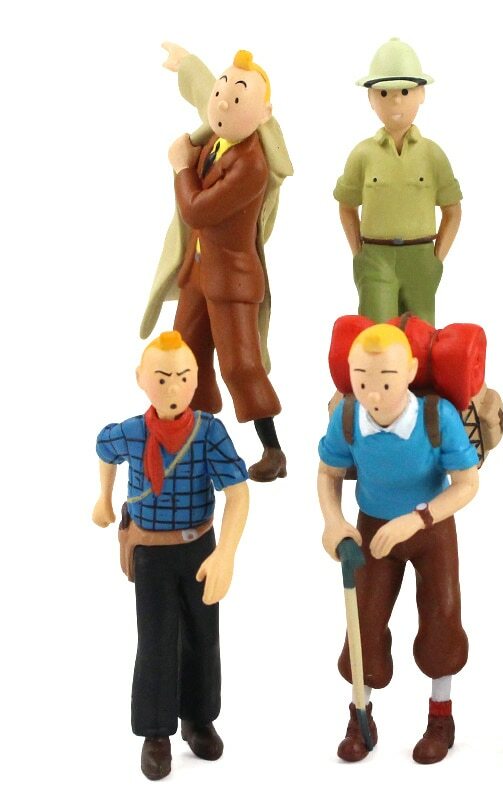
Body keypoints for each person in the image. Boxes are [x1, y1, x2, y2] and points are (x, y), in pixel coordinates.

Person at [318, 324, 479, 763]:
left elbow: (467, 484)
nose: (373, 394)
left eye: (386, 382)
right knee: (363, 621)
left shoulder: (436, 418)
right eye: (362, 381)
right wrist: (334, 521)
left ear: (409, 371)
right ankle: (360, 715)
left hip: (431, 529)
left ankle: (441, 716)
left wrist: (417, 519)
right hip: (372, 529)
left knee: (442, 617)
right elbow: (328, 472)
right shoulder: (347, 417)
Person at [93, 331, 249, 780]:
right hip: (152, 552)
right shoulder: (133, 432)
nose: (173, 388)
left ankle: (198, 718)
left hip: (199, 548)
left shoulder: (209, 433)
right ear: (141, 379)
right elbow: (103, 447)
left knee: (203, 635)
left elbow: (238, 493)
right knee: (156, 640)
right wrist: (103, 498)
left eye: (182, 377)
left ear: (197, 379)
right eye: (161, 379)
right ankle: (156, 731)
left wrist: (226, 554)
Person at [142, 46, 292, 482]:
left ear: (264, 114)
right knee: (185, 358)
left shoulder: (251, 165)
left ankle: (273, 449)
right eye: (221, 94)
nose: (224, 103)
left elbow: (198, 210)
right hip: (198, 275)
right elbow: (208, 93)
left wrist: (180, 169)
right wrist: (188, 64)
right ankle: (192, 439)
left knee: (240, 365)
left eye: (238, 98)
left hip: (231, 281)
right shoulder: (214, 138)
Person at [334, 38, 462, 325]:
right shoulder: (362, 154)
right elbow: (346, 206)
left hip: (421, 258)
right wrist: (359, 254)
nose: (396, 100)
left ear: (421, 93)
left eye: (405, 91)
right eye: (384, 93)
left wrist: (436, 259)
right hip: (375, 258)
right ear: (371, 98)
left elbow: (453, 210)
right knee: (377, 334)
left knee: (421, 335)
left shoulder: (433, 155)